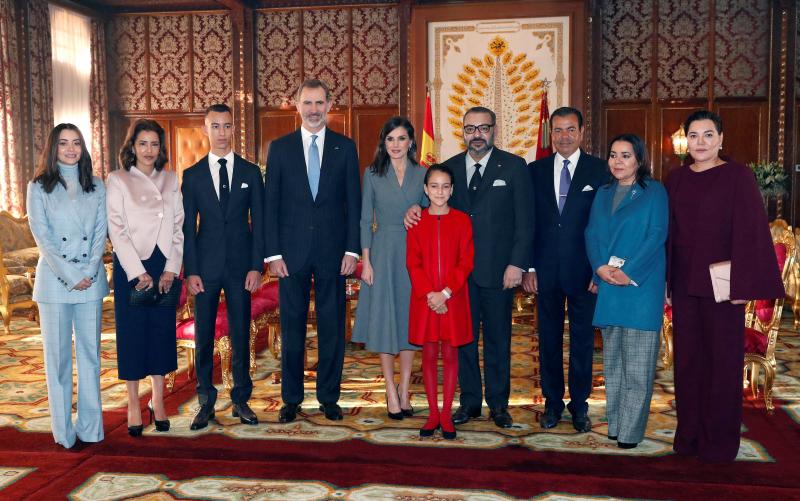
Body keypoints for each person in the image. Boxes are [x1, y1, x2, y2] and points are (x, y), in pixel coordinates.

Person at [665, 110, 783, 462]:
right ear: (687, 140)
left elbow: (751, 233)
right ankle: (688, 437)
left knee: (721, 363)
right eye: (695, 136)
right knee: (687, 363)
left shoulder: (738, 176)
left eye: (708, 135)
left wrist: (744, 285)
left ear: (721, 139)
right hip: (685, 284)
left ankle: (718, 444)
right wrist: (667, 282)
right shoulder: (675, 179)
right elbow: (668, 235)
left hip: (724, 287)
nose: (700, 142)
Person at [405, 106, 534, 429]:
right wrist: (413, 209)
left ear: (494, 130)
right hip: (457, 277)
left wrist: (517, 264)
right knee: (461, 340)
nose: (477, 134)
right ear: (462, 132)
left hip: (498, 270)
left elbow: (525, 221)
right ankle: (470, 402)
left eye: (483, 128)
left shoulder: (515, 167)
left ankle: (499, 405)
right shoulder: (447, 168)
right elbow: (434, 203)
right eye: (470, 129)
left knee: (497, 339)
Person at [264, 79, 361, 423]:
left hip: (334, 254)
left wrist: (352, 249)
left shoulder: (345, 147)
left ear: (329, 105)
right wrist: (272, 254)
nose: (314, 110)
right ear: (296, 106)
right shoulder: (280, 148)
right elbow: (270, 204)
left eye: (320, 103)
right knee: (292, 328)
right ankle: (291, 398)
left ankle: (328, 397)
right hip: (290, 256)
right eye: (308, 103)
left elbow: (354, 202)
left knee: (332, 327)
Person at [181, 103, 265, 430]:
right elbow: (188, 228)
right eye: (215, 126)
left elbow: (259, 223)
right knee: (204, 336)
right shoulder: (193, 176)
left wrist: (257, 266)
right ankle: (205, 400)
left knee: (241, 332)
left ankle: (241, 399)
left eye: (227, 126)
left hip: (241, 268)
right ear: (205, 129)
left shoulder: (248, 172)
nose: (221, 133)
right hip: (205, 269)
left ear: (234, 129)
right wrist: (191, 271)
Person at [523, 107, 607, 432]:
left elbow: (604, 224)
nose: (564, 136)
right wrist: (529, 266)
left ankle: (580, 406)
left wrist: (599, 269)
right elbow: (528, 222)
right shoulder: (535, 171)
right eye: (557, 130)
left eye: (570, 129)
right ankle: (552, 403)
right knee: (548, 340)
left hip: (585, 273)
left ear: (582, 132)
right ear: (550, 134)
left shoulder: (599, 171)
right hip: (544, 272)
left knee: (582, 341)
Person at [27, 124, 108, 449]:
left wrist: (88, 271)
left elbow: (101, 231)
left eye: (76, 143)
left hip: (91, 279)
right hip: (55, 283)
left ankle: (91, 428)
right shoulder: (38, 187)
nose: (71, 149)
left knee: (90, 357)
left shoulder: (97, 185)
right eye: (64, 143)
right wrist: (72, 276)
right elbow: (42, 237)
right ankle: (63, 432)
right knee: (57, 359)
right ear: (53, 148)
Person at [584, 134, 668, 449]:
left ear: (639, 160)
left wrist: (627, 272)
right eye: (613, 155)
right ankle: (616, 426)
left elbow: (657, 235)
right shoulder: (603, 193)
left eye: (626, 156)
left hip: (639, 287)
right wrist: (599, 268)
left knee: (637, 367)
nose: (618, 162)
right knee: (614, 367)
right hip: (608, 286)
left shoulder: (654, 191)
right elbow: (591, 232)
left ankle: (630, 433)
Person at [107, 119, 184, 436]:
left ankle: (159, 400)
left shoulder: (171, 178)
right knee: (134, 337)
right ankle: (133, 404)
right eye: (143, 143)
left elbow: (179, 226)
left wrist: (172, 267)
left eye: (154, 144)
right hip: (132, 266)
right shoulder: (118, 179)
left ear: (160, 148)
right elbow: (117, 229)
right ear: (132, 146)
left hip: (164, 264)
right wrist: (137, 272)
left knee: (161, 335)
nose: (149, 150)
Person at [352, 116, 426, 419]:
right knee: (385, 322)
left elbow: (436, 206)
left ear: (411, 142)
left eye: (401, 138)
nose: (396, 145)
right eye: (390, 139)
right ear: (383, 143)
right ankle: (390, 390)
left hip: (414, 253)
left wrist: (419, 207)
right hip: (382, 253)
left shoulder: (423, 174)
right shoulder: (372, 173)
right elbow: (363, 219)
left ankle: (406, 388)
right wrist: (365, 261)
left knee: (408, 321)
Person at [406, 164, 474, 439]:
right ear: (425, 189)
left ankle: (446, 413)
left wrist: (445, 293)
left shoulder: (461, 220)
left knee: (450, 354)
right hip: (425, 300)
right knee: (430, 354)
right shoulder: (416, 221)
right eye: (434, 186)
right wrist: (430, 295)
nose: (440, 191)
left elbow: (466, 261)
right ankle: (432, 412)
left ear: (452, 189)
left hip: (452, 299)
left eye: (445, 186)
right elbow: (413, 262)